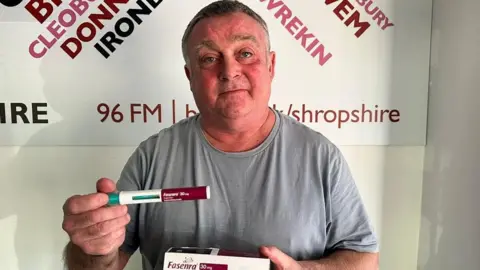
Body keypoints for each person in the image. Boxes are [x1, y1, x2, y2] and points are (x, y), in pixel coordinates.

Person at [61, 0, 379, 269]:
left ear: (271, 65)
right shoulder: (152, 156)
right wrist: (94, 248)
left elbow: (364, 257)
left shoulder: (320, 156)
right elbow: (101, 262)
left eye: (245, 53)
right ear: (190, 76)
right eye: (209, 58)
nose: (229, 71)